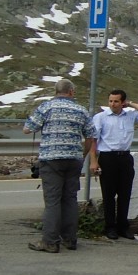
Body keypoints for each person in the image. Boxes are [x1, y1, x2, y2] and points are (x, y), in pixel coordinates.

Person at [23, 78, 96, 253]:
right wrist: (83, 155)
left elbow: (27, 129)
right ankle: (70, 239)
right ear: (71, 92)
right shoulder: (81, 110)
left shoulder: (46, 107)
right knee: (70, 199)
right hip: (73, 159)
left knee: (52, 201)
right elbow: (91, 136)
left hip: (51, 159)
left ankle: (50, 241)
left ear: (56, 91)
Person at [89, 88, 138, 241]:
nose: (113, 104)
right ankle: (110, 227)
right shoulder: (101, 117)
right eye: (111, 101)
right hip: (107, 157)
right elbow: (93, 140)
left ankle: (123, 226)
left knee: (125, 194)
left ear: (122, 102)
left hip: (124, 157)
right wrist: (93, 160)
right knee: (108, 194)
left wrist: (130, 104)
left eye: (116, 101)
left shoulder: (130, 116)